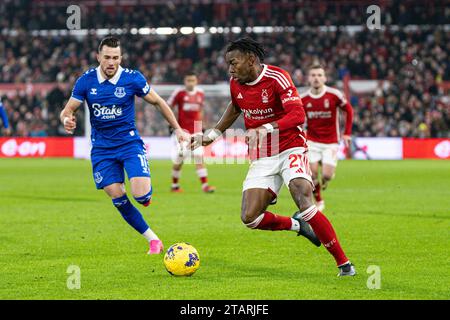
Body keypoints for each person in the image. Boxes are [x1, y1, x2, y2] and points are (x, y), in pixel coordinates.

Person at [192, 38, 355, 276]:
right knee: (250, 218)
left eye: (233, 63)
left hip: (291, 146)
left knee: (303, 196)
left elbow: (298, 114)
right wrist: (214, 133)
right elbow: (236, 107)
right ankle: (297, 225)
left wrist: (265, 128)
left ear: (251, 59)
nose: (230, 69)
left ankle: (344, 264)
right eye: (228, 64)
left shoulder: (277, 77)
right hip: (262, 156)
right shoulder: (235, 83)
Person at [60, 36, 189, 254]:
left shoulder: (132, 79)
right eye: (107, 57)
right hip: (102, 149)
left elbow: (158, 101)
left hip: (129, 143)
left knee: (141, 195)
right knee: (116, 194)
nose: (112, 62)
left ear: (121, 58)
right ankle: (153, 240)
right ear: (98, 57)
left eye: (116, 58)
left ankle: (144, 194)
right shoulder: (86, 81)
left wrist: (177, 128)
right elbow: (67, 110)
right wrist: (66, 119)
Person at [300, 64, 354, 211]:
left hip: (331, 141)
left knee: (327, 176)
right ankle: (318, 200)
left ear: (324, 78)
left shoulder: (334, 94)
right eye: (313, 75)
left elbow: (348, 110)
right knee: (311, 173)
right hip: (311, 140)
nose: (316, 78)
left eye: (319, 75)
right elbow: (297, 118)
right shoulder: (303, 99)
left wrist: (347, 132)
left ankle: (325, 175)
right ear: (308, 78)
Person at [167, 72, 215, 193]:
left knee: (199, 157)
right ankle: (174, 185)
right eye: (188, 80)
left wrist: (202, 125)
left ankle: (205, 186)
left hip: (196, 130)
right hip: (183, 131)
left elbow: (201, 110)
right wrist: (173, 126)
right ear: (185, 81)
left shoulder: (200, 93)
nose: (191, 83)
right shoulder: (179, 93)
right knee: (180, 159)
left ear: (196, 81)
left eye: (193, 80)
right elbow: (167, 107)